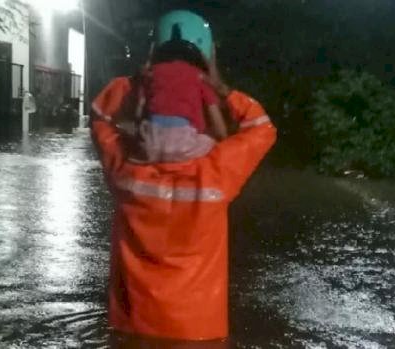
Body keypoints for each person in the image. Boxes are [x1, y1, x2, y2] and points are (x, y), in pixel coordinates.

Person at [91, 10, 277, 347]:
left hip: (132, 328)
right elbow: (262, 127)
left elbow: (100, 115)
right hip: (199, 332)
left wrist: (135, 83)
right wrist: (220, 87)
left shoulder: (125, 171)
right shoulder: (218, 174)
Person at [126, 10, 228, 164]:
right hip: (187, 151)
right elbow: (221, 131)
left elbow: (137, 115)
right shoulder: (200, 78)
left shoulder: (150, 76)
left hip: (150, 148)